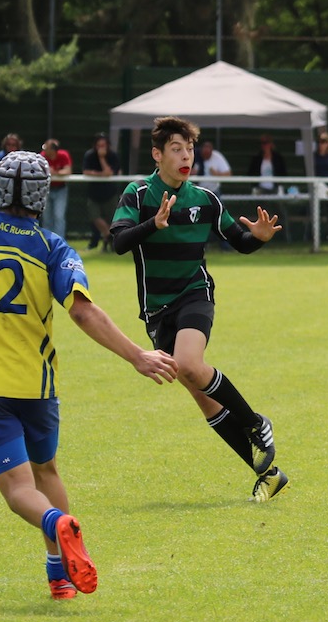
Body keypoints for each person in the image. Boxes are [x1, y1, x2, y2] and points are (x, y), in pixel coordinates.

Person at [0, 150, 178, 599]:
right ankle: (59, 574)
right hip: (37, 386)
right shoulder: (52, 247)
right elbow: (83, 312)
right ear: (42, 195)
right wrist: (136, 355)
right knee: (46, 470)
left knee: (19, 491)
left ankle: (56, 523)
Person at [109, 115, 289, 502]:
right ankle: (269, 474)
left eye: (189, 149)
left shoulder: (205, 200)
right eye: (176, 149)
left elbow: (239, 241)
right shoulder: (138, 194)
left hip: (195, 293)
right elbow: (119, 242)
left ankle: (256, 423)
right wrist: (153, 224)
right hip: (156, 309)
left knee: (190, 364)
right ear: (157, 155)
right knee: (201, 394)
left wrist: (258, 238)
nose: (186, 156)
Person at [82, 133, 122, 250]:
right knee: (94, 216)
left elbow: (109, 172)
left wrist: (102, 158)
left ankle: (109, 242)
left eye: (103, 145)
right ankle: (109, 236)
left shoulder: (113, 155)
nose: (101, 148)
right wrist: (100, 174)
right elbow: (86, 171)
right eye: (98, 145)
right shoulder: (89, 155)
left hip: (110, 193)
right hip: (94, 194)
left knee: (112, 220)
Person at [40, 138, 72, 237]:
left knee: (59, 216)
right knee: (46, 218)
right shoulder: (42, 156)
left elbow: (68, 171)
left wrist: (55, 172)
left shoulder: (63, 155)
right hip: (46, 189)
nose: (44, 150)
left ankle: (59, 240)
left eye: (47, 148)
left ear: (53, 150)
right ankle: (47, 240)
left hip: (61, 189)